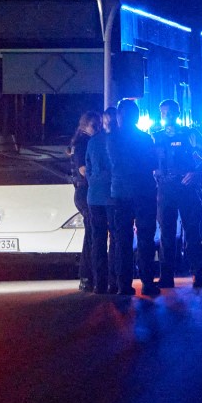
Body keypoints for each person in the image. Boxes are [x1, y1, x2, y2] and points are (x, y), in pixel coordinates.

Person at [153, 99, 202, 288]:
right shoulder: (156, 136)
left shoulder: (190, 134)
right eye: (163, 113)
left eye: (170, 113)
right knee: (166, 234)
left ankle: (197, 273)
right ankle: (166, 276)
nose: (167, 116)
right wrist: (153, 172)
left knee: (192, 232)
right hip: (165, 189)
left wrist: (196, 171)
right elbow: (147, 159)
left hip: (186, 187)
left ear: (178, 114)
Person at [107, 98, 159, 297]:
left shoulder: (111, 139)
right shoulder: (145, 138)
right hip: (144, 192)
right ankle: (147, 282)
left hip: (119, 193)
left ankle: (123, 285)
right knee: (146, 238)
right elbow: (153, 163)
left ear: (120, 116)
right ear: (137, 116)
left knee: (122, 240)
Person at [85, 106, 118, 294]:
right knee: (115, 238)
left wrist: (94, 182)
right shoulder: (117, 141)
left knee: (97, 240)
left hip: (94, 196)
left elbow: (88, 169)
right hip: (113, 196)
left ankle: (99, 283)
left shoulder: (93, 141)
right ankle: (114, 281)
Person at [69, 111, 101, 292]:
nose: (96, 129)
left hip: (85, 192)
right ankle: (87, 276)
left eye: (98, 126)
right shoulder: (83, 143)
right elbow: (83, 170)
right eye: (93, 126)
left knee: (92, 234)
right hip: (85, 192)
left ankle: (88, 276)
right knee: (92, 234)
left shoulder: (83, 142)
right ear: (84, 126)